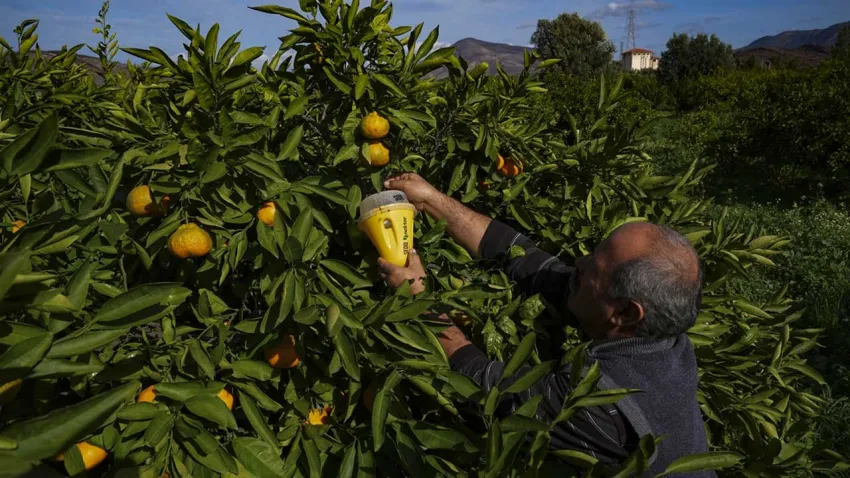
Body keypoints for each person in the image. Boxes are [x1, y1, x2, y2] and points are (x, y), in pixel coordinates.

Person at [377, 173, 713, 476]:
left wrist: (416, 299)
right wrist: (431, 199)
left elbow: (485, 389)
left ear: (625, 313)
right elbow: (527, 260)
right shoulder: (666, 341)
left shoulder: (600, 404)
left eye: (593, 267)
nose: (578, 262)